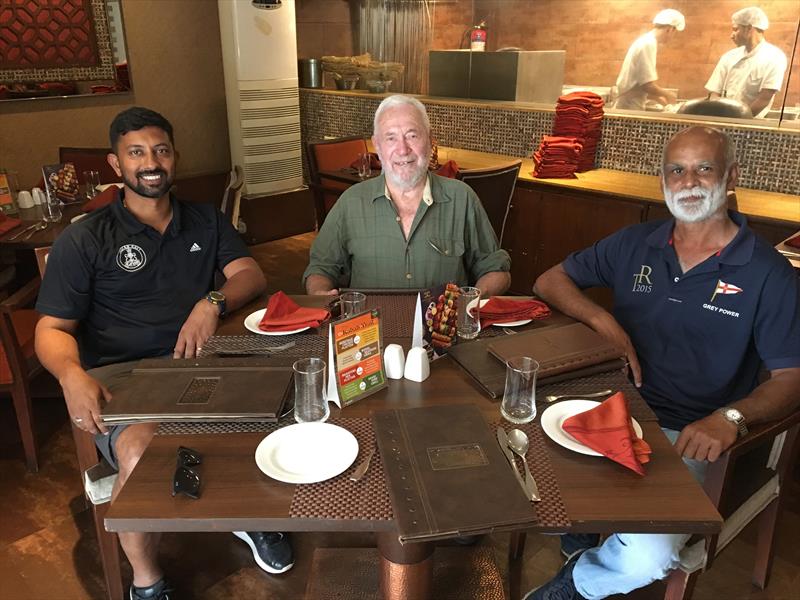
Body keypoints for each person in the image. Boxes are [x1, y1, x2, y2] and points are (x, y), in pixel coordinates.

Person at [526, 125, 800, 600]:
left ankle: (576, 584)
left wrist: (731, 417)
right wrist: (603, 321)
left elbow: (792, 378)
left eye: (704, 168)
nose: (688, 181)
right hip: (608, 406)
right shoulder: (636, 243)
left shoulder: (768, 274)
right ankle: (579, 537)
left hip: (691, 435)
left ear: (731, 176)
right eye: (676, 170)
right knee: (514, 454)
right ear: (662, 183)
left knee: (648, 557)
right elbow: (550, 281)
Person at [34, 107, 293, 600]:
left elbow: (250, 275)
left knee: (273, 410)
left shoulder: (204, 219)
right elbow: (52, 327)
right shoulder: (86, 238)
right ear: (117, 165)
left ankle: (252, 519)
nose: (150, 162)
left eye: (161, 150)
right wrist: (70, 374)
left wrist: (211, 301)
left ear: (174, 158)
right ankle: (147, 583)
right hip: (124, 376)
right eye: (136, 153)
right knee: (141, 447)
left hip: (203, 363)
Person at [303, 94, 511, 296]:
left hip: (443, 331)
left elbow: (497, 270)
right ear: (377, 145)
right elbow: (320, 268)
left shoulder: (462, 198)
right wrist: (320, 292)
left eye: (412, 135)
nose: (403, 149)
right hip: (370, 330)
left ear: (430, 141)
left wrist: (472, 300)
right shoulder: (351, 202)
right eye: (391, 137)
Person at [705, 7, 788, 119]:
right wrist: (720, 118)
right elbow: (714, 93)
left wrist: (739, 121)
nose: (731, 35)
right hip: (721, 120)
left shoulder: (774, 57)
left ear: (749, 28)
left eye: (735, 29)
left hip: (750, 125)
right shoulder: (729, 56)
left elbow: (765, 98)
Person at [610, 9, 685, 111]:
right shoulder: (648, 44)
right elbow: (647, 85)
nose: (672, 37)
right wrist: (668, 95)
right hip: (629, 107)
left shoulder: (645, 41)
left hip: (628, 103)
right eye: (675, 33)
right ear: (670, 29)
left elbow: (639, 85)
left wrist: (660, 100)